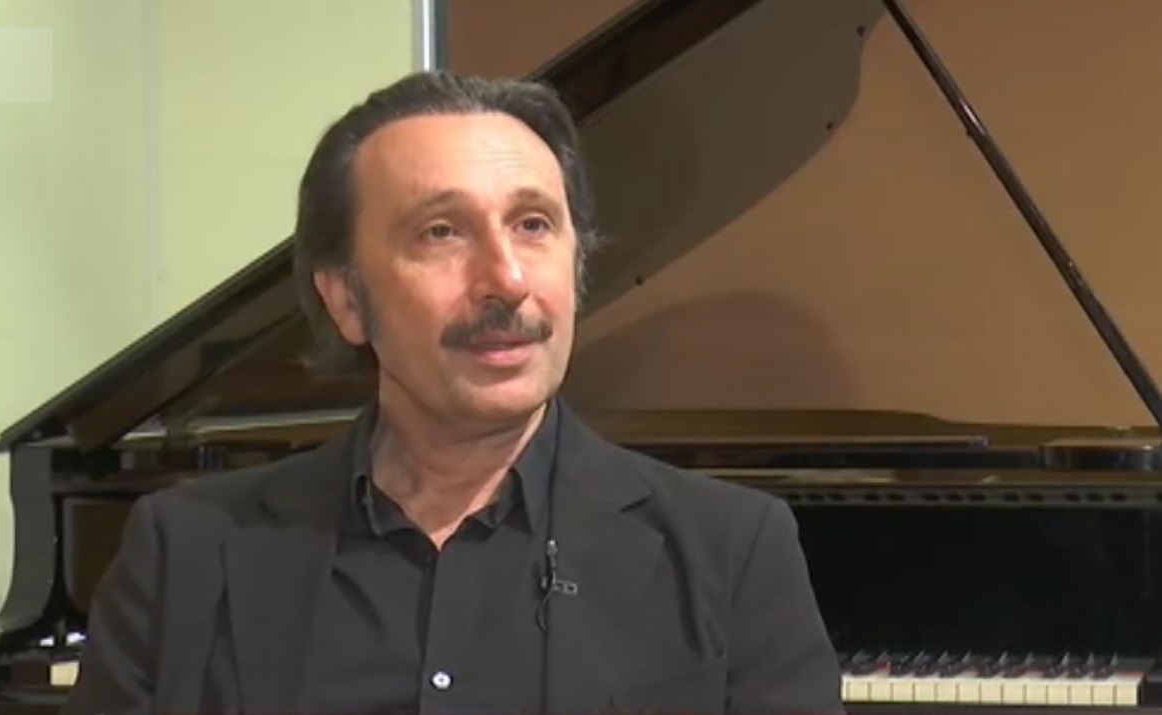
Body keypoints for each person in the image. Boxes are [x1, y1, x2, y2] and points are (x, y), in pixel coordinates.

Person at [61, 70, 842, 715]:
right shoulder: (185, 552)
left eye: (533, 224)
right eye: (442, 232)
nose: (507, 278)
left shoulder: (731, 551)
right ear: (346, 299)